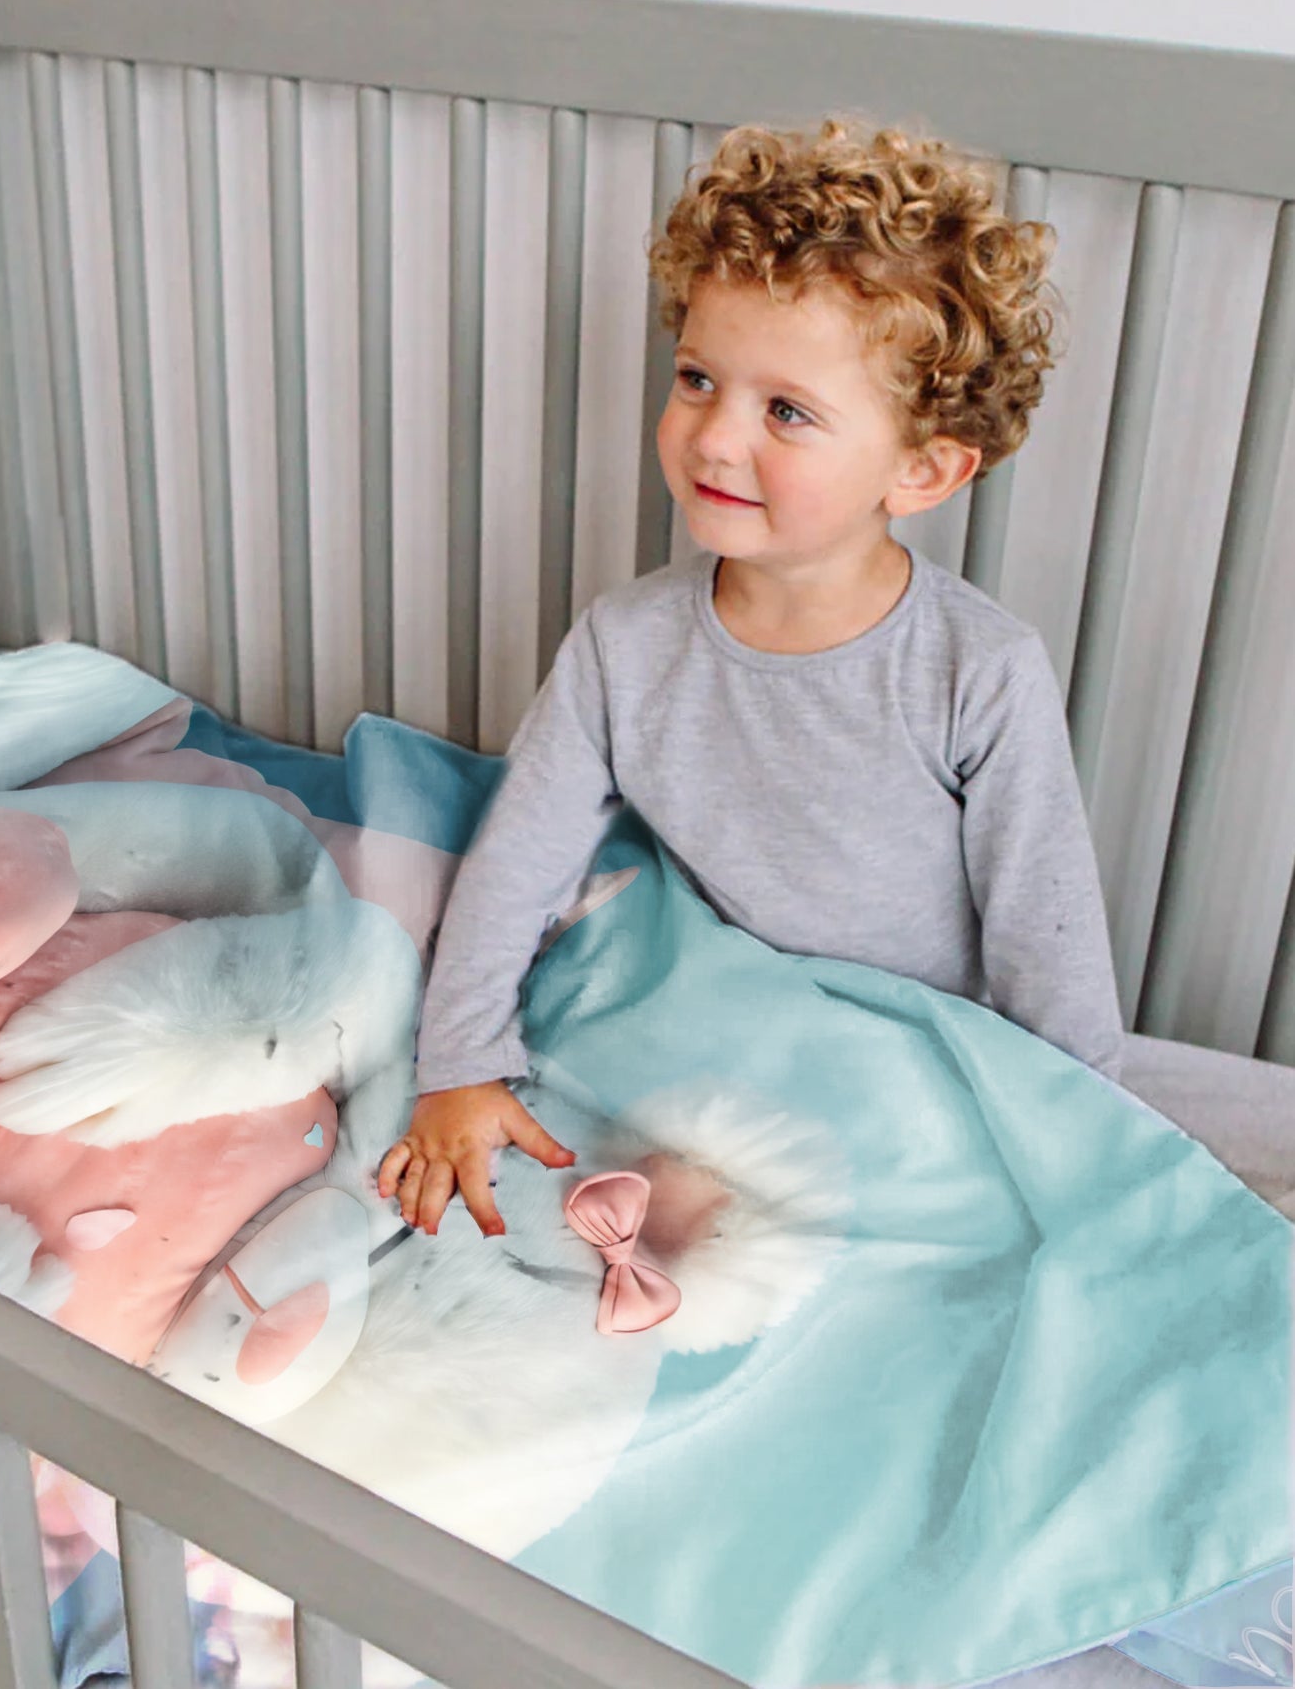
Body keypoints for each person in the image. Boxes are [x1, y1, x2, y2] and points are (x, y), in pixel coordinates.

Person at [379, 117, 1126, 1239]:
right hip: (705, 1011)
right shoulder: (624, 643)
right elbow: (516, 868)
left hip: (899, 1048)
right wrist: (459, 1064)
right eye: (696, 379)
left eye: (785, 410)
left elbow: (1048, 952)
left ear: (923, 469)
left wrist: (1083, 1158)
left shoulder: (978, 672)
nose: (714, 439)